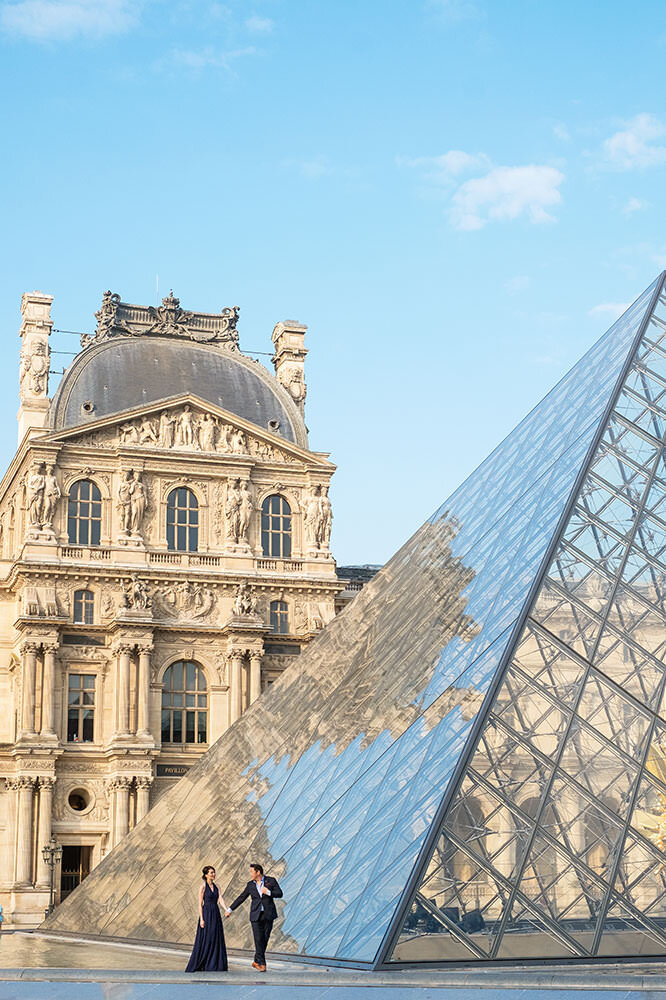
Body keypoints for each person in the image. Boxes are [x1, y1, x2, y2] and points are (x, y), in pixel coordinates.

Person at [226, 863, 283, 972]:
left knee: (265, 938)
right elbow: (241, 898)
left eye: (252, 872)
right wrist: (230, 909)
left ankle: (257, 960)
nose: (250, 874)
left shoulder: (271, 880)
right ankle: (262, 964)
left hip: (268, 914)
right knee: (258, 939)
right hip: (256, 915)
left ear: (258, 872)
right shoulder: (250, 885)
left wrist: (269, 892)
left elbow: (280, 893)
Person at [185, 865, 228, 972]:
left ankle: (215, 963)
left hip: (215, 913)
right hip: (206, 913)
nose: (213, 874)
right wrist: (202, 919)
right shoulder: (203, 887)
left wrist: (226, 909)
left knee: (215, 936)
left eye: (214, 872)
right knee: (206, 937)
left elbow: (220, 898)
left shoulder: (217, 886)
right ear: (206, 875)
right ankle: (203, 962)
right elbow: (200, 904)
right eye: (211, 873)